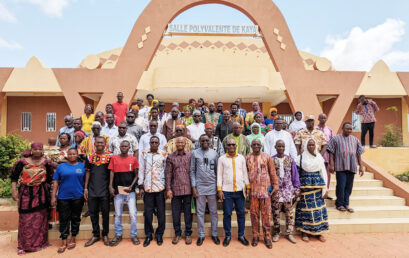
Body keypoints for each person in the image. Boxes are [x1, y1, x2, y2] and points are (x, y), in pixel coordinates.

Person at [10, 142, 53, 256]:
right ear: (31, 150)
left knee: (41, 218)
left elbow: (50, 178)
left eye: (40, 149)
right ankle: (22, 246)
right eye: (35, 149)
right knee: (25, 219)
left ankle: (41, 243)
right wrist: (14, 191)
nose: (38, 151)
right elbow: (14, 178)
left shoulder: (46, 163)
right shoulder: (21, 162)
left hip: (42, 193)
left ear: (42, 150)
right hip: (26, 194)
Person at [51, 148, 86, 253]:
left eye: (74, 154)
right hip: (63, 197)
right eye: (70, 154)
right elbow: (56, 182)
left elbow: (86, 181)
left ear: (77, 155)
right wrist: (53, 196)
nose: (72, 156)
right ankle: (64, 240)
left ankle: (73, 238)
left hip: (78, 196)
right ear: (67, 155)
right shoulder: (61, 167)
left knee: (75, 218)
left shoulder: (82, 166)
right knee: (64, 219)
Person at [246, 139, 278, 249]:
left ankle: (267, 236)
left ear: (261, 146)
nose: (256, 146)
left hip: (265, 192)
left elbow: (273, 172)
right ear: (251, 146)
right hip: (253, 192)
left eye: (258, 144)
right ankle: (255, 235)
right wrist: (246, 190)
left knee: (266, 215)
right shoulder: (247, 158)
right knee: (254, 215)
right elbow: (245, 174)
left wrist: (275, 186)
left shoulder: (267, 157)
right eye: (254, 144)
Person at [217, 138, 250, 247]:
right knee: (227, 214)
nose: (231, 146)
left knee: (241, 214)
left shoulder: (241, 158)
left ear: (236, 146)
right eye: (229, 145)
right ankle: (228, 236)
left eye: (233, 145)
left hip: (240, 191)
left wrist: (248, 186)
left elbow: (245, 173)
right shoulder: (222, 159)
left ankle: (241, 235)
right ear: (226, 146)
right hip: (227, 191)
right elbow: (219, 175)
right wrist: (219, 189)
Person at [295, 139, 329, 242]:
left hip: (318, 188)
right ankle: (304, 232)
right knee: (305, 211)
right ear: (305, 146)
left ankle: (319, 233)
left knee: (319, 210)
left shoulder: (319, 157)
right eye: (309, 145)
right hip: (305, 188)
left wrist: (325, 190)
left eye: (312, 145)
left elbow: (323, 173)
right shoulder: (299, 158)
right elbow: (296, 175)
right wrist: (297, 189)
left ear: (316, 146)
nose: (311, 147)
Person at [327, 122, 365, 213]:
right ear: (342, 129)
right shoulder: (335, 138)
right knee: (341, 185)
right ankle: (339, 204)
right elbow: (331, 152)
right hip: (340, 166)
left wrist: (361, 166)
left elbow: (359, 154)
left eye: (350, 129)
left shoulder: (355, 140)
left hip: (352, 166)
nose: (349, 130)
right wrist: (331, 165)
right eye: (347, 128)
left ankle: (346, 204)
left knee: (349, 187)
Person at [190, 134, 220, 246]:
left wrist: (218, 187)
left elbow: (217, 171)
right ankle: (201, 235)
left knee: (213, 212)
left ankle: (214, 234)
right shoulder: (195, 153)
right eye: (202, 141)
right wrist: (193, 187)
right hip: (200, 186)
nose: (204, 142)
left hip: (212, 186)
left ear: (210, 141)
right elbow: (192, 171)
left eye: (207, 140)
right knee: (200, 212)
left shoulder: (214, 153)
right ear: (199, 142)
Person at [108, 141, 139, 246]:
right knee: (118, 214)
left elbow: (136, 175)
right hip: (118, 191)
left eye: (126, 146)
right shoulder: (114, 158)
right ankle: (118, 234)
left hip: (130, 191)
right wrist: (110, 186)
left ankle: (134, 235)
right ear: (119, 147)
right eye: (122, 146)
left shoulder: (133, 159)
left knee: (133, 214)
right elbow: (111, 172)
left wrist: (132, 186)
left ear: (129, 147)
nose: (124, 147)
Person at [138, 136, 168, 247]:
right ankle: (149, 235)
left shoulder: (164, 155)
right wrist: (141, 186)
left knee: (161, 213)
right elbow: (141, 170)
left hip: (160, 188)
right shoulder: (144, 154)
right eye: (152, 142)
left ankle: (159, 234)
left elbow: (166, 171)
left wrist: (166, 187)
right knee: (148, 214)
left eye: (156, 142)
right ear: (150, 143)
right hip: (148, 188)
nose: (154, 144)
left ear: (159, 143)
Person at [84, 137, 111, 247]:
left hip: (104, 189)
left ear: (105, 144)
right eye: (98, 142)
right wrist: (85, 188)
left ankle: (105, 234)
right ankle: (96, 234)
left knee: (105, 214)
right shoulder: (90, 157)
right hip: (92, 189)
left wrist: (110, 188)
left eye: (102, 142)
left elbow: (111, 174)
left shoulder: (109, 157)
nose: (100, 144)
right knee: (93, 213)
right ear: (94, 144)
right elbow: (88, 173)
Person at [271, 140, 300, 244]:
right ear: (275, 147)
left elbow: (295, 175)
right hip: (276, 191)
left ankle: (289, 233)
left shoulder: (290, 160)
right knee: (276, 212)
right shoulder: (271, 160)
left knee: (289, 213)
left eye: (283, 146)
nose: (281, 148)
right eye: (279, 146)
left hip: (288, 190)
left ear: (285, 147)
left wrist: (297, 188)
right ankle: (277, 233)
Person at [165, 137, 193, 245]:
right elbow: (168, 174)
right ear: (175, 144)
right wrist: (168, 189)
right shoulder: (170, 157)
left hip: (188, 189)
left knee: (187, 213)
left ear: (185, 143)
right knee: (175, 213)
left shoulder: (190, 156)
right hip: (175, 190)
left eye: (182, 142)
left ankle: (188, 234)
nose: (180, 144)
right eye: (178, 142)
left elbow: (193, 172)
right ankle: (177, 234)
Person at [316, 113, 334, 199]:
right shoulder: (315, 129)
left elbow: (331, 145)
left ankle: (326, 192)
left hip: (326, 156)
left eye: (324, 118)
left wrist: (332, 160)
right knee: (317, 174)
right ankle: (318, 192)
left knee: (326, 175)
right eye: (321, 118)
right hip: (316, 155)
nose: (323, 119)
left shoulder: (329, 130)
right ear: (318, 119)